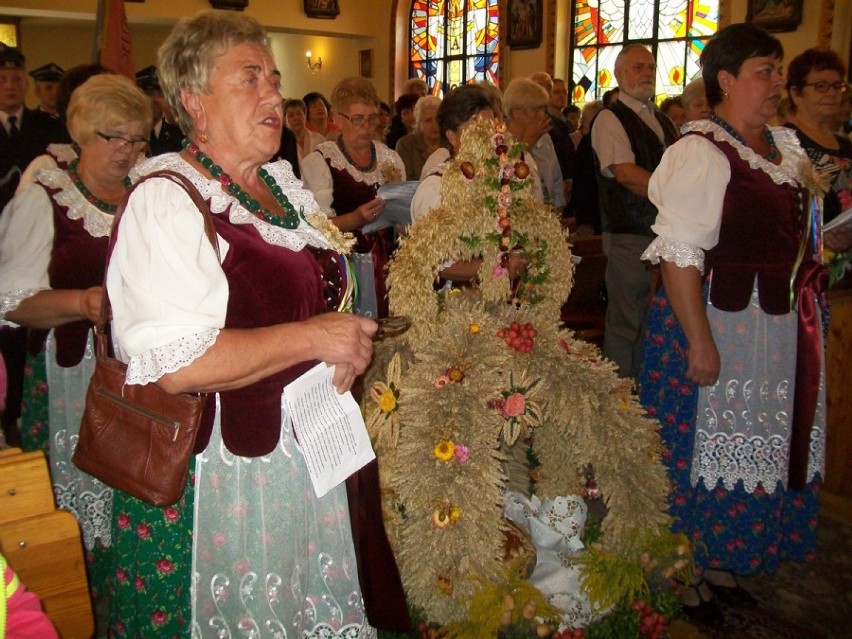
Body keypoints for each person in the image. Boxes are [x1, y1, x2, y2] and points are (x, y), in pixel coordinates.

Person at [105, 10, 408, 636]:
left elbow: (304, 296)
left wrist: (341, 341)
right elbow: (179, 364)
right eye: (250, 79)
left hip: (301, 449)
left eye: (273, 78)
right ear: (195, 101)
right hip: (223, 476)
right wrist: (314, 336)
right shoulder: (168, 197)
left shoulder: (277, 184)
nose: (274, 94)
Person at [638, 23, 826, 626]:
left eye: (778, 70)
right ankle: (683, 573)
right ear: (725, 81)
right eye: (763, 72)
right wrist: (699, 340)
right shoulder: (701, 149)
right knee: (693, 451)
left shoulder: (781, 147)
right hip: (716, 322)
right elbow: (679, 255)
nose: (776, 84)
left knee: (753, 448)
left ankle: (718, 562)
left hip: (768, 327)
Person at [0, 74, 152, 608]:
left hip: (143, 371)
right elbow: (12, 301)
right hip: (75, 373)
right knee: (82, 505)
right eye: (114, 137)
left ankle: (127, 596)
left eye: (137, 139)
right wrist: (82, 303)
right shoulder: (48, 198)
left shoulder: (150, 196)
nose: (127, 151)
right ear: (83, 133)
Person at [591, 44, 678, 379]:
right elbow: (625, 174)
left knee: (653, 322)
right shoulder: (610, 118)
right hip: (630, 233)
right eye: (638, 67)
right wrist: (678, 195)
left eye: (651, 67)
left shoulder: (663, 120)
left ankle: (646, 394)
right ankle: (619, 403)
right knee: (626, 322)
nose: (647, 74)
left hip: (664, 233)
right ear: (619, 74)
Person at [301, 77, 406, 319]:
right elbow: (315, 228)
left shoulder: (389, 158)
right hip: (348, 267)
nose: (367, 127)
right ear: (337, 119)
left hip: (391, 264)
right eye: (357, 119)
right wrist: (355, 218)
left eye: (372, 118)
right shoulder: (320, 162)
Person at [784, 48, 851, 225]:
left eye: (837, 86)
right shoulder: (785, 141)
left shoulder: (845, 144)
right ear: (796, 93)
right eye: (820, 86)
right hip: (810, 244)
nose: (831, 93)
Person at [504, 78, 565, 212]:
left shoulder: (545, 138)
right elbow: (505, 178)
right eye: (536, 110)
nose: (542, 115)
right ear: (516, 112)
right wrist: (526, 144)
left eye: (544, 109)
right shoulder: (500, 142)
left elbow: (556, 181)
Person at [530, 72, 575, 209]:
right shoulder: (528, 122)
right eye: (539, 87)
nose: (544, 92)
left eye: (548, 88)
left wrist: (568, 178)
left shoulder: (561, 123)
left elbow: (565, 153)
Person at [135, 65, 183, 156]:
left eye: (161, 93)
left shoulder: (179, 135)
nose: (156, 99)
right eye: (149, 93)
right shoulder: (129, 135)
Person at [395, 94, 441, 179]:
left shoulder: (450, 142)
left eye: (438, 119)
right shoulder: (406, 145)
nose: (435, 125)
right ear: (419, 123)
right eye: (428, 121)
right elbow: (405, 182)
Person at [283, 97, 326, 171]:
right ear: (284, 120)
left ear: (305, 115)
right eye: (291, 115)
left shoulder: (320, 139)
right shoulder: (282, 145)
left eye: (299, 114)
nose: (296, 118)